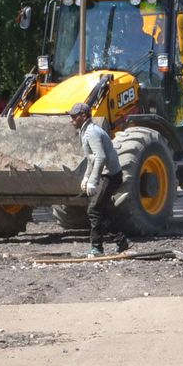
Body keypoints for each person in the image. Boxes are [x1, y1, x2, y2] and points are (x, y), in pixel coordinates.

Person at [70, 101, 129, 257]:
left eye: (74, 117)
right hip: (105, 173)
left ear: (84, 116)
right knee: (103, 209)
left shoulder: (92, 132)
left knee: (94, 209)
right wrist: (86, 177)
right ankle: (121, 241)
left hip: (110, 175)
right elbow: (91, 158)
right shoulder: (86, 131)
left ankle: (97, 248)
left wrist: (93, 181)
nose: (71, 120)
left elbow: (101, 157)